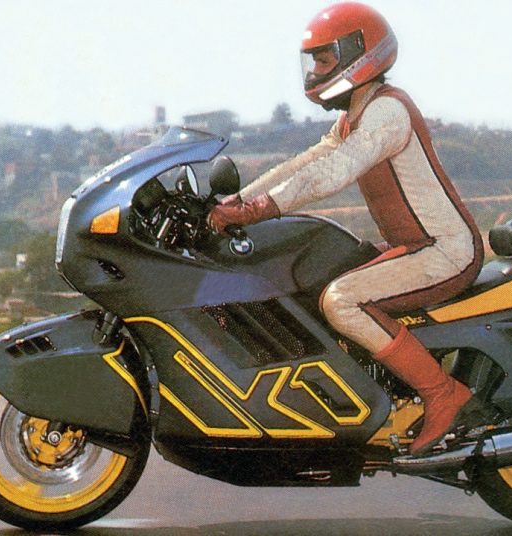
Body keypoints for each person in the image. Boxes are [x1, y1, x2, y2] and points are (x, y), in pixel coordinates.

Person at [207, 2, 484, 456]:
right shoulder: (354, 116)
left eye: (323, 60)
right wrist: (237, 201)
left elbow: (333, 172)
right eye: (313, 61)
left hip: (444, 252)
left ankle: (442, 393)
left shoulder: (387, 112)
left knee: (341, 300)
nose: (315, 72)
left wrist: (258, 210)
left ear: (360, 55)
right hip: (414, 248)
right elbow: (307, 162)